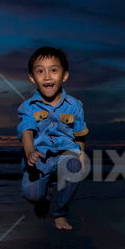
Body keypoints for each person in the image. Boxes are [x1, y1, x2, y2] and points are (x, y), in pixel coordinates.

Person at [17, 47, 88, 230]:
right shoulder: (28, 107)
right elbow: (26, 130)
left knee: (75, 165)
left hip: (66, 154)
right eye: (40, 71)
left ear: (64, 76)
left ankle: (60, 213)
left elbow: (79, 133)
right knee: (31, 195)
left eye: (53, 70)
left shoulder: (75, 106)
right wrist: (30, 152)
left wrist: (81, 155)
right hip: (39, 157)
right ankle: (44, 196)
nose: (47, 76)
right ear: (33, 78)